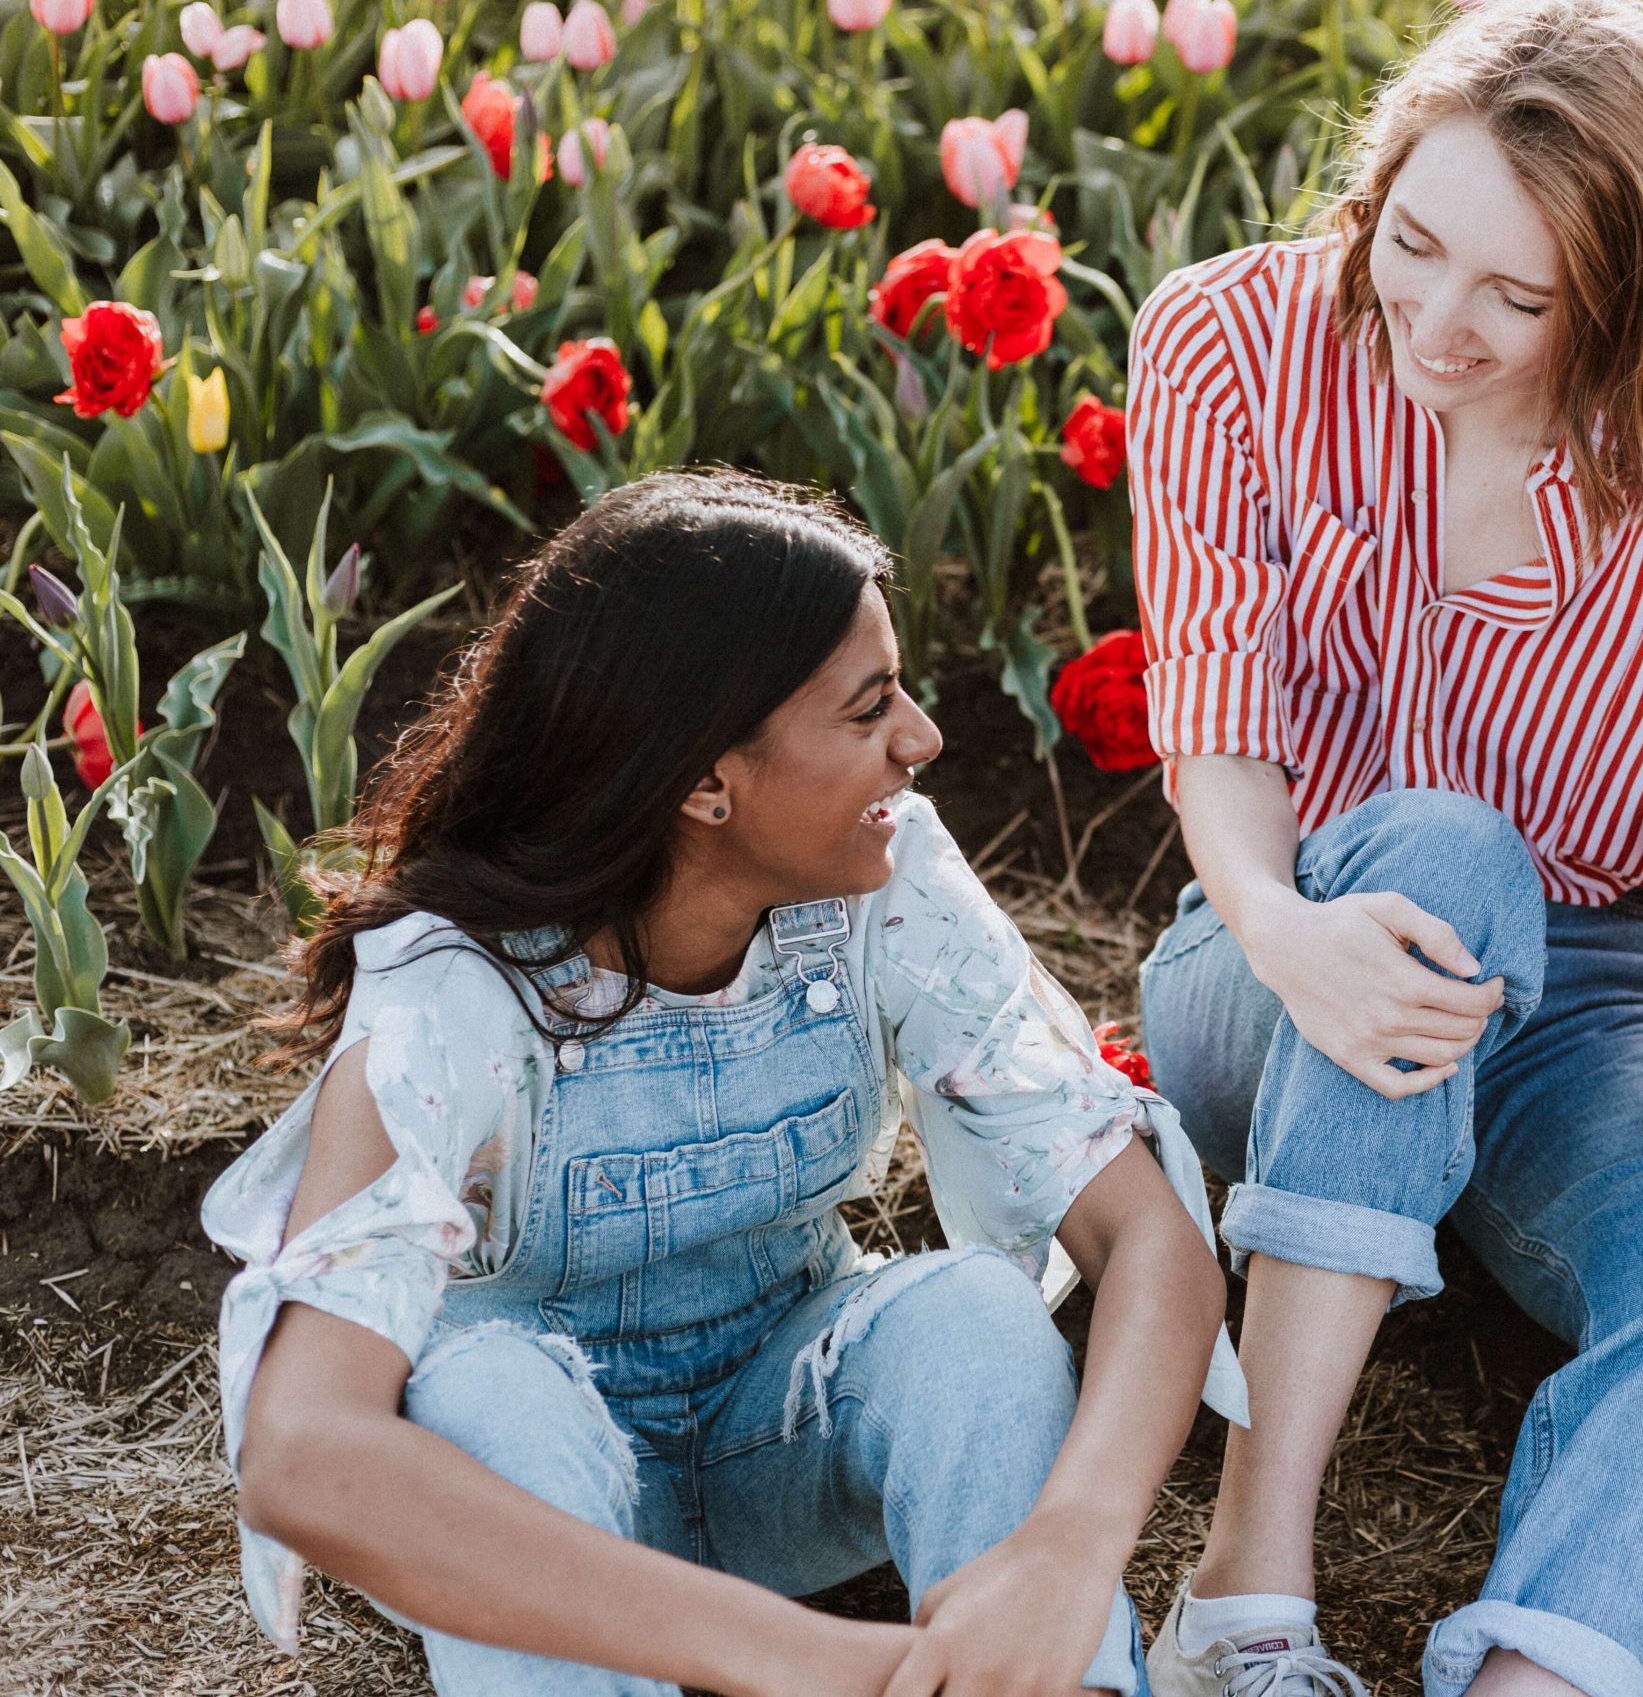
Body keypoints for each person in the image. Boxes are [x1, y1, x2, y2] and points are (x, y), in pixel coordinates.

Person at [1125, 0, 1643, 1694]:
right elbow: (1215, 722)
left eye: (1520, 295)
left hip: (1571, 1009)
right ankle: (1244, 1599)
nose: (1443, 324)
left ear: (1622, 297)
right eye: (1416, 244)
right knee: (1445, 859)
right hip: (1271, 950)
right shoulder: (1229, 341)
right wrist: (1280, 923)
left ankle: (1538, 1674)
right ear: (1381, 182)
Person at [202, 470, 1244, 1697]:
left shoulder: (886, 879)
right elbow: (306, 1454)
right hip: (536, 1519)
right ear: (704, 783)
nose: (923, 738)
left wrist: (1070, 1545)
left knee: (969, 1313)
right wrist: (811, 1664)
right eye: (868, 711)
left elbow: (1149, 1239)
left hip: (782, 1435)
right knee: (482, 1386)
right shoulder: (452, 995)